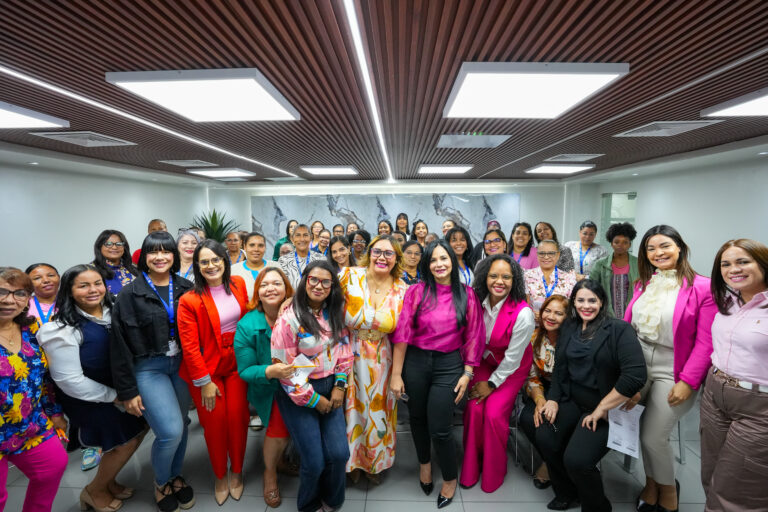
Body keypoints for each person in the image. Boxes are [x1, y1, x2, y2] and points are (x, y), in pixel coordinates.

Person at [38, 264, 147, 512]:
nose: (93, 290)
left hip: (119, 391)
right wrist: (116, 397)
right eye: (83, 285)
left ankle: (109, 481)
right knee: (124, 442)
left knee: (138, 431)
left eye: (97, 283)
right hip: (89, 398)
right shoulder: (61, 329)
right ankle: (94, 491)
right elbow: (70, 381)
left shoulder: (113, 311)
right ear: (69, 290)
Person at [623, 225, 716, 512]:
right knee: (640, 431)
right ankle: (652, 484)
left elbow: (706, 341)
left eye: (664, 246)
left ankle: (669, 494)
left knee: (654, 436)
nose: (657, 253)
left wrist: (688, 381)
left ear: (680, 247)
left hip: (673, 367)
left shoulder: (703, 287)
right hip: (639, 362)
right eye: (650, 248)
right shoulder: (643, 284)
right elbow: (630, 327)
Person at [390, 240, 485, 509]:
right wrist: (397, 374)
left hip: (449, 365)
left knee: (441, 427)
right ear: (426, 265)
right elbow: (402, 335)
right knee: (417, 419)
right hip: (416, 362)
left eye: (444, 259)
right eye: (433, 260)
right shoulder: (416, 292)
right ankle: (424, 465)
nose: (439, 264)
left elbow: (475, 336)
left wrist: (467, 373)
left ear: (452, 262)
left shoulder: (466, 294)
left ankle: (450, 478)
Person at [537, 280, 646, 511]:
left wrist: (602, 408)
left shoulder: (618, 329)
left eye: (592, 300)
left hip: (605, 409)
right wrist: (554, 398)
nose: (586, 306)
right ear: (574, 302)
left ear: (602, 302)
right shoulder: (569, 327)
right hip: (571, 400)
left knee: (577, 461)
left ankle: (597, 506)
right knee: (547, 436)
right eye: (580, 300)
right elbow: (560, 368)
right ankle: (567, 492)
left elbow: (636, 376)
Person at [110, 231, 195, 512]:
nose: (160, 257)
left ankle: (175, 475)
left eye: (166, 251)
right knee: (169, 431)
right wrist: (127, 391)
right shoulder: (129, 294)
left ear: (174, 254)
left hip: (181, 364)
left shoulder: (185, 287)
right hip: (149, 368)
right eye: (153, 252)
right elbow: (118, 346)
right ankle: (161, 481)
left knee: (181, 424)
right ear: (144, 257)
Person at [270, 261, 353, 512]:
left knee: (339, 454)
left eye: (326, 281)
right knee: (314, 461)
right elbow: (285, 370)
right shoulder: (289, 318)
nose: (319, 285)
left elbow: (345, 351)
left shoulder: (335, 312)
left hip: (332, 386)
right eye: (313, 280)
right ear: (305, 281)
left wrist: (339, 385)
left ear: (332, 286)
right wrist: (316, 400)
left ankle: (333, 500)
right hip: (298, 391)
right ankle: (308, 504)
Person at [177, 240, 250, 505]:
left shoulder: (238, 285)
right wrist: (204, 381)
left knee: (238, 418)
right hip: (206, 370)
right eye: (204, 261)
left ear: (225, 260)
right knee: (215, 424)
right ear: (197, 266)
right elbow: (190, 346)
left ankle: (237, 472)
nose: (211, 265)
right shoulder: (189, 300)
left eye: (216, 259)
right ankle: (220, 475)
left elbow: (249, 318)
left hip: (236, 364)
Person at [701, 239, 768, 512]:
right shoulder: (727, 300)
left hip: (758, 407)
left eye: (743, 261)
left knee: (737, 491)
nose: (733, 269)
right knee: (711, 475)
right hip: (715, 394)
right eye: (725, 264)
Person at [460, 255, 535, 493]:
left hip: (511, 368)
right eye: (493, 275)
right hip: (484, 361)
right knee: (473, 408)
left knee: (493, 414)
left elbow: (512, 359)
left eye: (506, 276)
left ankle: (495, 470)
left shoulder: (524, 313)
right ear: (485, 277)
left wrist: (491, 385)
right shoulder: (477, 301)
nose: (499, 281)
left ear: (515, 281)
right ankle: (471, 467)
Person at [0, 267, 68, 512]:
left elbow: (45, 378)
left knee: (53, 466)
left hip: (30, 422)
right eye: (2, 292)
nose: (9, 300)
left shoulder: (31, 331)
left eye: (19, 293)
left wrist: (55, 412)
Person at [340, 235, 407, 483]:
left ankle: (373, 463)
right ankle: (352, 463)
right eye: (377, 251)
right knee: (351, 410)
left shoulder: (403, 289)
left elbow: (402, 336)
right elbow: (320, 299)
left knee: (379, 410)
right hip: (348, 351)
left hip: (382, 356)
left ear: (396, 259)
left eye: (389, 253)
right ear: (369, 252)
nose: (382, 257)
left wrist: (397, 374)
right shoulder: (348, 276)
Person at [234, 267, 296, 508]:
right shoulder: (247, 325)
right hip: (268, 387)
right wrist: (270, 372)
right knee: (278, 432)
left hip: (298, 383)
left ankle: (280, 462)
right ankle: (269, 473)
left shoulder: (296, 312)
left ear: (286, 289)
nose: (271, 288)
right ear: (257, 292)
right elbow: (245, 370)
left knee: (292, 429)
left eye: (277, 283)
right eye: (264, 285)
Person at [519, 294, 569, 490]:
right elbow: (530, 375)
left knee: (555, 424)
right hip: (540, 387)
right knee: (527, 419)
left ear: (568, 317)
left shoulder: (573, 339)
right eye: (547, 311)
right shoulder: (533, 337)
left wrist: (554, 400)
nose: (551, 316)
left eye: (558, 313)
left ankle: (552, 464)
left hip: (567, 391)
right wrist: (539, 398)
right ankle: (553, 462)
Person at [589, 222, 638, 319]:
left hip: (634, 315)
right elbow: (591, 287)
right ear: (611, 244)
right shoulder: (600, 264)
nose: (620, 245)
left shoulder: (638, 264)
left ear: (629, 244)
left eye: (625, 242)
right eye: (616, 242)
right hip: (605, 315)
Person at [524, 240, 578, 320]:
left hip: (560, 326)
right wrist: (531, 314)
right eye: (542, 253)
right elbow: (522, 305)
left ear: (558, 255)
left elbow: (572, 307)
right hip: (533, 325)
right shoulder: (526, 276)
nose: (546, 257)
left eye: (551, 253)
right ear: (537, 255)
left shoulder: (569, 278)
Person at [231, 232, 279, 301]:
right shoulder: (233, 270)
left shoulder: (276, 267)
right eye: (252, 245)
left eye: (260, 245)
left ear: (265, 247)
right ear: (245, 247)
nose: (256, 249)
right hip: (246, 311)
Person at [278, 224, 325, 289]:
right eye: (298, 235)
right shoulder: (284, 260)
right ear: (293, 239)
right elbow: (282, 286)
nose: (302, 239)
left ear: (311, 238)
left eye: (305, 235)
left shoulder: (321, 259)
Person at [93, 229, 137, 295]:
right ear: (99, 247)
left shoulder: (133, 268)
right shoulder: (91, 271)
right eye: (108, 244)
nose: (114, 247)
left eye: (119, 244)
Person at [25, 263, 59, 328]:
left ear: (59, 277)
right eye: (37, 278)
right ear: (28, 283)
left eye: (51, 275)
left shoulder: (71, 302)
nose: (46, 280)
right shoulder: (23, 304)